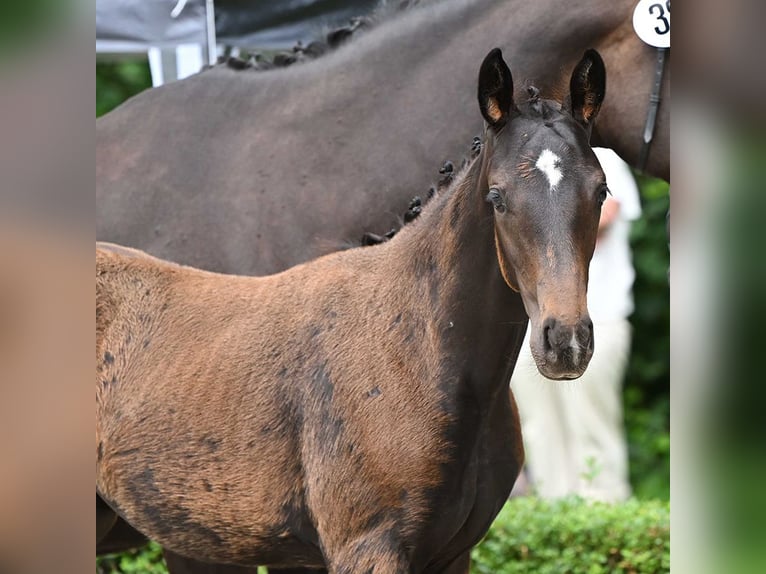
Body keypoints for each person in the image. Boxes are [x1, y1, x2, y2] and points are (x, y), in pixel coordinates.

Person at [510, 147, 642, 502]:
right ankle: (556, 516)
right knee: (539, 430)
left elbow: (603, 217)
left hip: (599, 316)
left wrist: (537, 219)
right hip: (536, 326)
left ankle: (605, 513)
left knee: (592, 427)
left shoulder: (603, 157)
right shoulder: (524, 155)